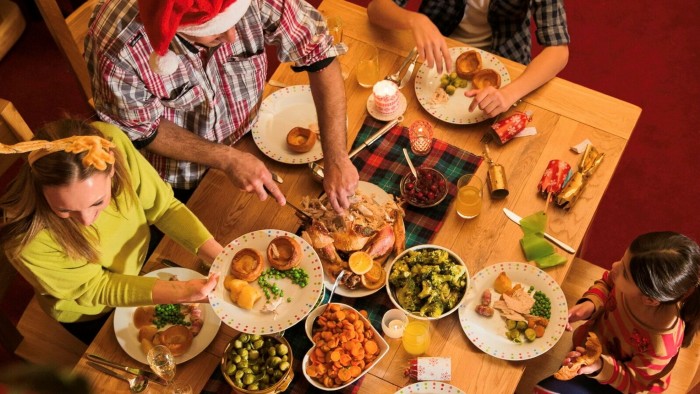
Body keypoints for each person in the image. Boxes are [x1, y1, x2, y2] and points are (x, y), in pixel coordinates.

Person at [84, 0, 359, 213]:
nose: (231, 37)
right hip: (178, 180)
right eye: (214, 32)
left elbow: (319, 53)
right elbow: (142, 130)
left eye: (234, 21)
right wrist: (226, 158)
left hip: (251, 141)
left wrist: (336, 157)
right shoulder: (117, 44)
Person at [0, 119, 223, 343]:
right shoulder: (24, 238)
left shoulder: (108, 142)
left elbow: (163, 207)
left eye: (97, 202)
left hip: (142, 259)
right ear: (39, 191)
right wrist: (180, 292)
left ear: (113, 169)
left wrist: (222, 258)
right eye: (65, 209)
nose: (86, 221)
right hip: (93, 309)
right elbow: (96, 288)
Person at [535, 231, 700, 394]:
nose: (614, 266)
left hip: (616, 383)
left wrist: (599, 367)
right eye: (622, 260)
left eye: (625, 273)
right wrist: (591, 303)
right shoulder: (630, 284)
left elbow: (635, 383)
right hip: (590, 354)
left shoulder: (661, 345)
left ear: (649, 300)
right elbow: (606, 283)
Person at [366, 0, 570, 118]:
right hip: (433, 54)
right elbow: (376, 9)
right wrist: (413, 20)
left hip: (507, 60)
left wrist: (509, 94)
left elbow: (558, 51)